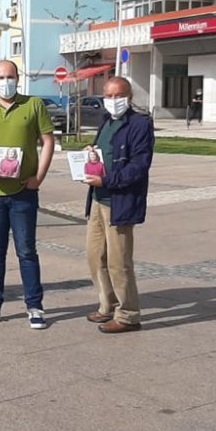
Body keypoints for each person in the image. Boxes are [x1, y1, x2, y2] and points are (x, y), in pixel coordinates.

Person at [0, 59, 55, 330]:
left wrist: (38, 178)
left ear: (18, 77)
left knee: (27, 251)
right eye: (1, 77)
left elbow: (48, 141)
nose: (6, 81)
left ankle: (35, 306)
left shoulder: (33, 105)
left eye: (11, 76)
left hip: (23, 191)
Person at [82, 77, 154, 334]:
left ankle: (128, 315)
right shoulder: (106, 122)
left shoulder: (139, 124)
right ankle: (107, 304)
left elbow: (139, 166)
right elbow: (105, 153)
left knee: (119, 261)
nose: (113, 101)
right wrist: (91, 156)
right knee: (94, 256)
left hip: (119, 202)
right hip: (98, 199)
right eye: (108, 96)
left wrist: (108, 179)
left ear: (129, 96)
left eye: (118, 95)